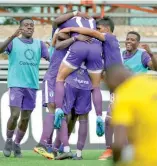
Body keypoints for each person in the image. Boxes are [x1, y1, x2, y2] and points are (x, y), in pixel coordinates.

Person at [34, 26, 91, 159]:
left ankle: (54, 148)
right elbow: (59, 37)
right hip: (52, 81)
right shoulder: (58, 42)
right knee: (53, 110)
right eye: (67, 33)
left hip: (64, 83)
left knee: (65, 115)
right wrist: (75, 37)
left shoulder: (74, 47)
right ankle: (42, 143)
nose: (67, 34)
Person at [0, 17, 49, 158]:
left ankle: (17, 144)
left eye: (31, 25)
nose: (29, 27)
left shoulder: (40, 45)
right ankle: (8, 141)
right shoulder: (13, 42)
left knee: (25, 118)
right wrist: (11, 36)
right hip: (16, 84)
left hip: (32, 85)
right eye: (26, 25)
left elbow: (52, 59)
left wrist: (54, 45)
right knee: (15, 115)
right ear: (20, 28)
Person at [53, 11, 104, 130]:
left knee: (60, 78)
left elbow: (56, 24)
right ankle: (99, 116)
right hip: (96, 47)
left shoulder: (68, 21)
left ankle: (58, 109)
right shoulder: (92, 20)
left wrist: (70, 32)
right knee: (96, 86)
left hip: (79, 46)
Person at [105, 65, 157, 166]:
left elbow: (119, 144)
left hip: (147, 159)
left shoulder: (124, 95)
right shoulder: (151, 81)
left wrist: (116, 160)